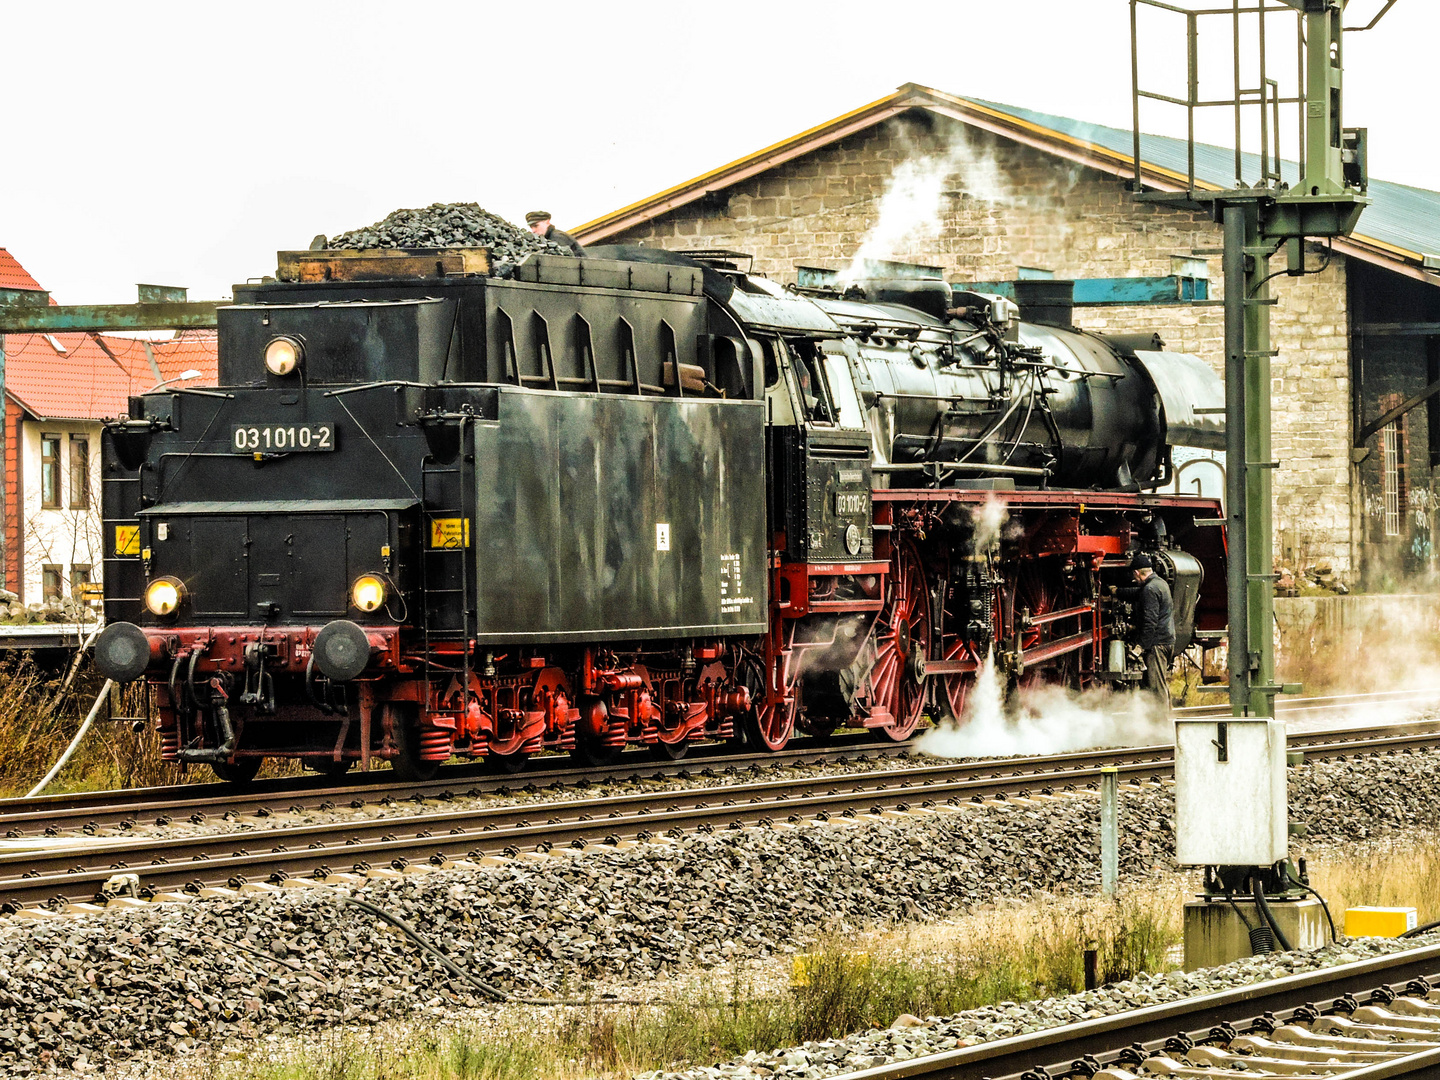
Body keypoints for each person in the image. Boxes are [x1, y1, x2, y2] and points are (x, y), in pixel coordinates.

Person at [1114, 553, 1175, 710]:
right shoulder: (1160, 584)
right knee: (1159, 684)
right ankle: (1158, 723)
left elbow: (1150, 623)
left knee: (1156, 687)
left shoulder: (1150, 589)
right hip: (1166, 641)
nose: (1134, 580)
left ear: (1136, 572)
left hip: (1157, 644)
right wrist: (1117, 591)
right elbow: (1137, 593)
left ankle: (1161, 726)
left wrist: (1139, 647)